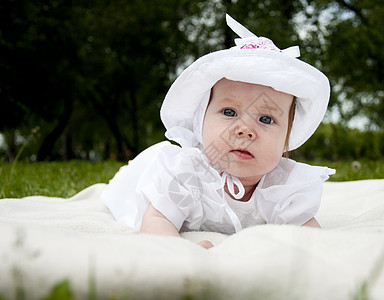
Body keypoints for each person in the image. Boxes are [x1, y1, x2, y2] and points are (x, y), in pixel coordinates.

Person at [101, 14, 335, 249]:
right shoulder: (188, 174)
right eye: (230, 112)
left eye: (266, 118)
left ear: (286, 139)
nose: (245, 130)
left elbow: (310, 237)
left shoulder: (284, 185)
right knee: (132, 182)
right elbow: (157, 219)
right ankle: (129, 170)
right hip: (149, 177)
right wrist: (182, 251)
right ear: (201, 121)